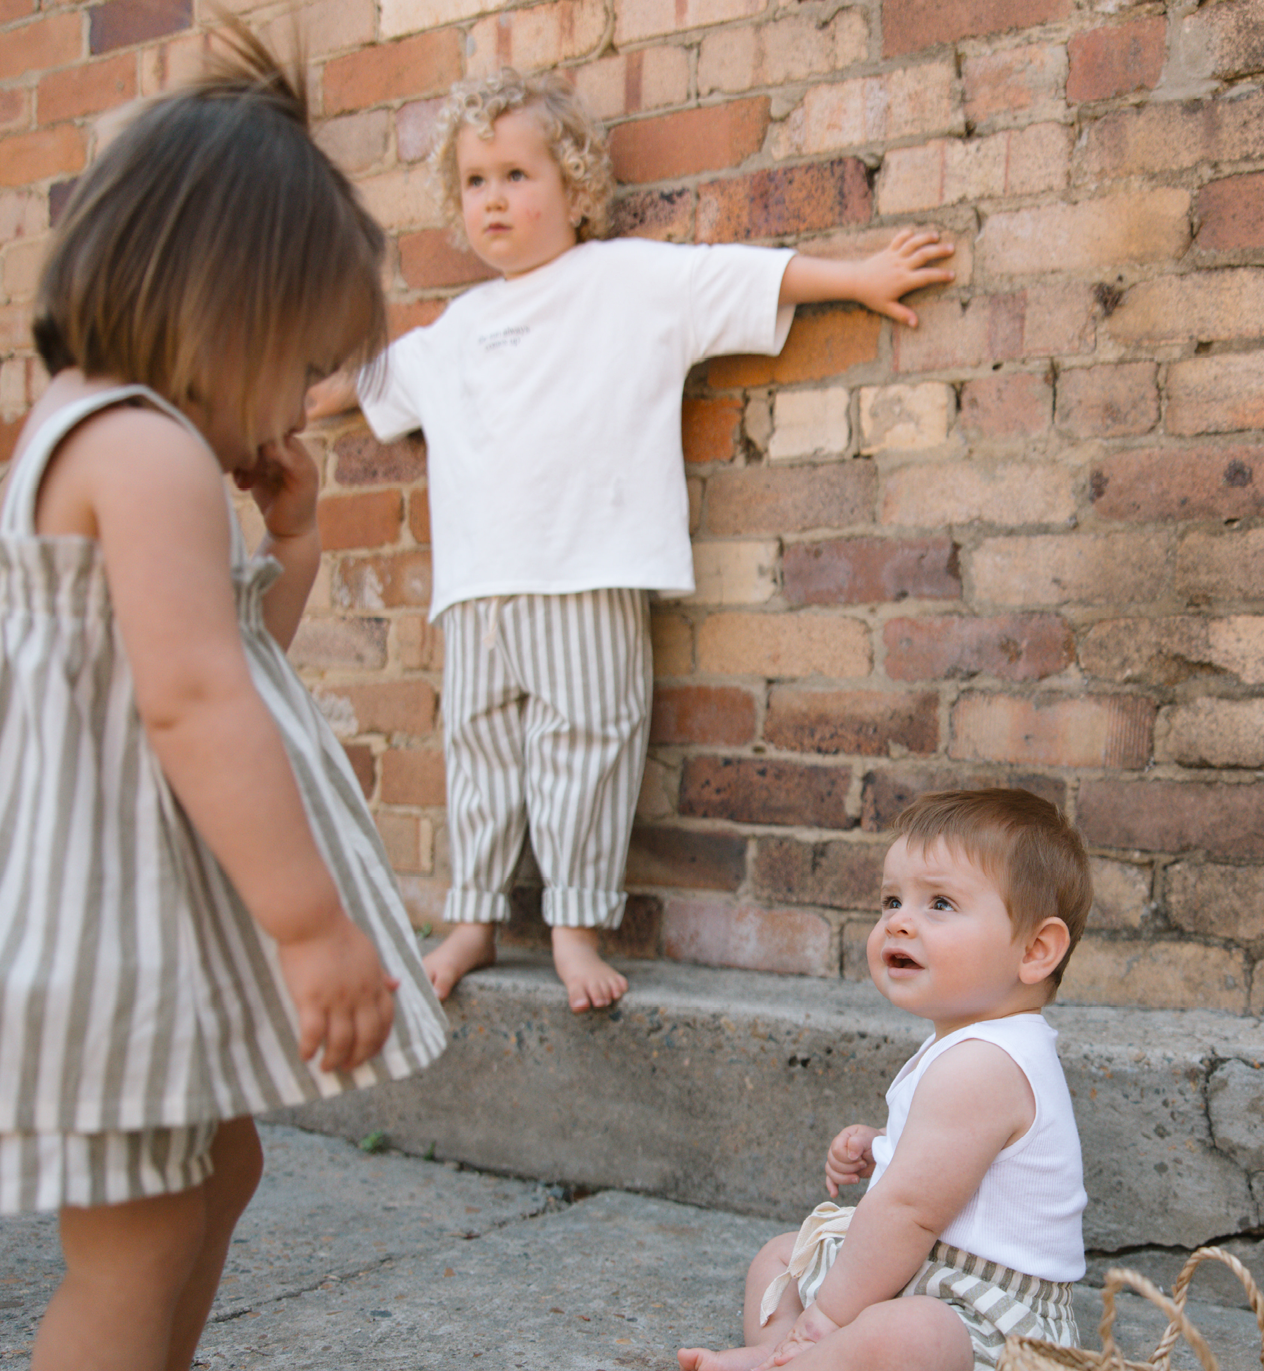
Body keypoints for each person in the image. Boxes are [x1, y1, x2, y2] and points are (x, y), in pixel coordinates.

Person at [0, 29, 449, 1371]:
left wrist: (298, 531)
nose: (301, 399)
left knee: (220, 1162)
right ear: (224, 311)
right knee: (127, 1240)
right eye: (297, 360)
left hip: (135, 915)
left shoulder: (103, 434)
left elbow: (244, 649)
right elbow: (195, 708)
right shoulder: (141, 446)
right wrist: (312, 926)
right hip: (112, 937)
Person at [307, 67, 955, 1014]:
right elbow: (360, 387)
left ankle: (574, 929)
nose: (493, 198)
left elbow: (735, 274)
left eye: (516, 176)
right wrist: (291, 398)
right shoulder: (454, 330)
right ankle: (473, 921)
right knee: (480, 760)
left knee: (587, 750)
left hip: (588, 569)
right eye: (475, 181)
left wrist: (856, 278)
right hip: (478, 593)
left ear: (572, 187)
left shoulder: (622, 279)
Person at [670, 788, 1092, 1371]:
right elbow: (941, 1164)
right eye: (891, 901)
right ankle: (792, 1364)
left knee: (907, 1338)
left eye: (939, 904)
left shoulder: (984, 1063)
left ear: (1035, 948)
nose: (899, 923)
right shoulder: (966, 1044)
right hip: (919, 1272)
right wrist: (878, 1142)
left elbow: (908, 1207)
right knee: (780, 1255)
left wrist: (827, 1319)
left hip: (987, 1324)